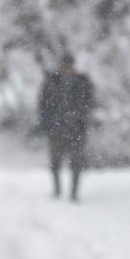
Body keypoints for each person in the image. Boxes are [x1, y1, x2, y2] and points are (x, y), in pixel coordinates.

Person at [38, 53, 94, 202]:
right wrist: (47, 123)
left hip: (76, 128)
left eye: (69, 65)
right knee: (55, 161)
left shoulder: (82, 82)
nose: (67, 68)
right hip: (56, 128)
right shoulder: (52, 81)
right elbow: (43, 104)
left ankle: (74, 192)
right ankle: (57, 189)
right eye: (65, 65)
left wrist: (80, 118)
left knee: (76, 161)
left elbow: (88, 103)